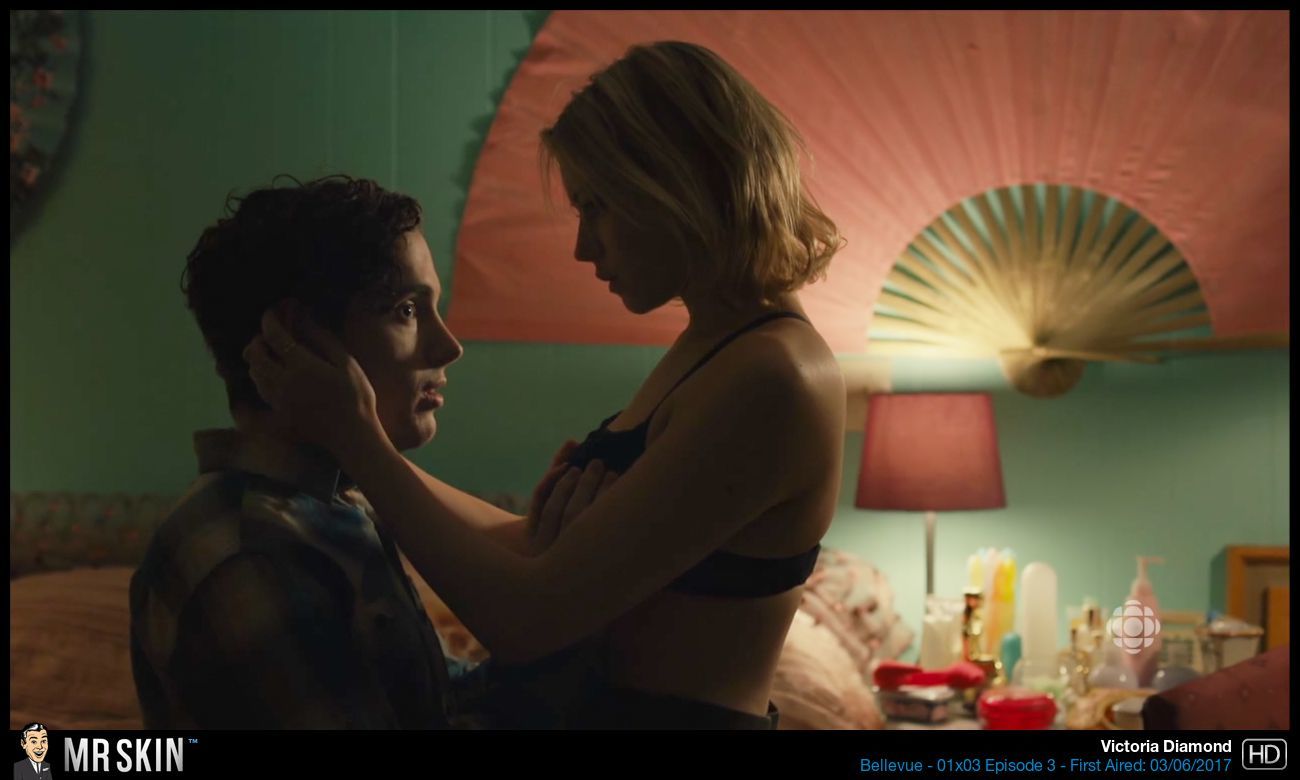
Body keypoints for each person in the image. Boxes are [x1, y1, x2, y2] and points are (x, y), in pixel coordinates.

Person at [245, 40, 846, 729]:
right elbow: (533, 548)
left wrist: (361, 444)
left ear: (675, 185)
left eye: (597, 207)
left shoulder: (775, 378)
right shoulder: (715, 348)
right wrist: (353, 449)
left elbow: (527, 621)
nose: (585, 247)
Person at [129, 174, 605, 729]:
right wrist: (569, 665)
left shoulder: (333, 502)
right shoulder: (254, 552)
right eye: (406, 310)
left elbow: (432, 702)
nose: (449, 346)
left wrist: (556, 589)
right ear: (297, 339)